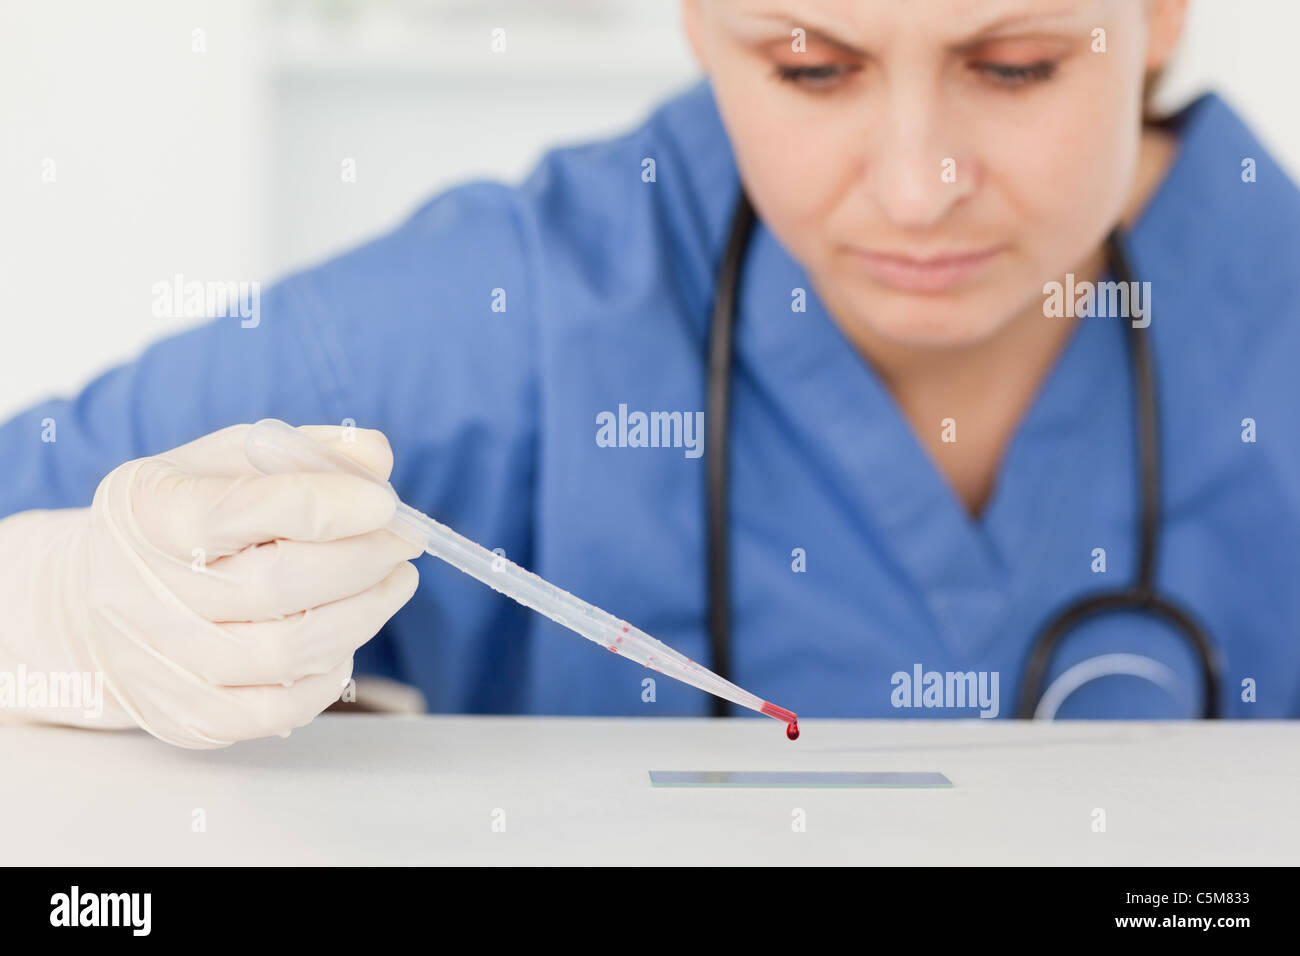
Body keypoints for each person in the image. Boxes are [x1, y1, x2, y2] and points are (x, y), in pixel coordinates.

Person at [2, 0, 1297, 748]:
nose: (917, 190)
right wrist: (71, 611)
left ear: (1165, 12)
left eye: (1013, 66)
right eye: (810, 67)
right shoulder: (515, 317)